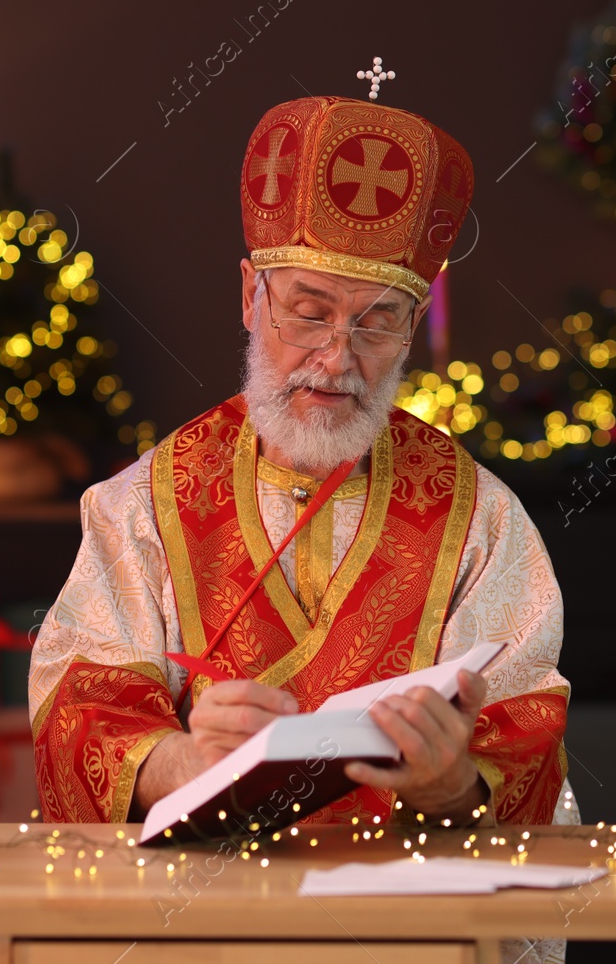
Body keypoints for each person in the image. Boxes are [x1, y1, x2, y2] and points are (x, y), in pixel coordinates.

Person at [30, 95, 576, 842]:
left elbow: (525, 736)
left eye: (377, 321)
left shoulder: (482, 518)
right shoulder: (144, 504)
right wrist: (185, 761)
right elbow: (79, 710)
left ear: (412, 329)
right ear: (251, 296)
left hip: (405, 929)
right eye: (310, 310)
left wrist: (451, 784)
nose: (337, 356)